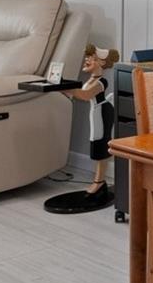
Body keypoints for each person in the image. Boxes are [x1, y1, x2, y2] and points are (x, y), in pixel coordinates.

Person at [44, 44, 120, 213]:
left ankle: (99, 182)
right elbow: (80, 94)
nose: (86, 61)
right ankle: (98, 181)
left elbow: (85, 95)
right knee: (96, 145)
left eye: (90, 59)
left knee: (101, 147)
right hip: (95, 113)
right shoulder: (91, 80)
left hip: (101, 113)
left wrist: (64, 86)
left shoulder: (101, 81)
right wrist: (63, 87)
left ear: (100, 62)